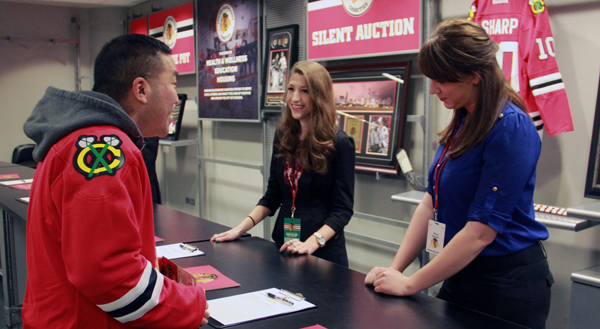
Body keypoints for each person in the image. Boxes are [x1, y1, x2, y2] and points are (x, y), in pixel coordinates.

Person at [365, 19, 553, 329]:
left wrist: (411, 284)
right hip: (459, 274)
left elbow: (481, 232)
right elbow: (431, 201)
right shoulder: (464, 119)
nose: (434, 89)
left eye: (442, 81)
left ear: (474, 76)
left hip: (505, 287)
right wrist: (394, 270)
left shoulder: (510, 128)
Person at [22, 34, 209, 328]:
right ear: (141, 89)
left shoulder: (85, 139)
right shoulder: (104, 149)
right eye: (173, 83)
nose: (176, 97)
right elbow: (106, 272)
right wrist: (190, 304)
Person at [211, 61, 355, 266]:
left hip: (323, 254)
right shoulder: (283, 135)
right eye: (291, 89)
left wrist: (312, 243)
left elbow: (342, 210)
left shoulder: (339, 143)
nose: (295, 98)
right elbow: (273, 195)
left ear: (319, 96)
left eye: (305, 91)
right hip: (283, 245)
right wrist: (239, 229)